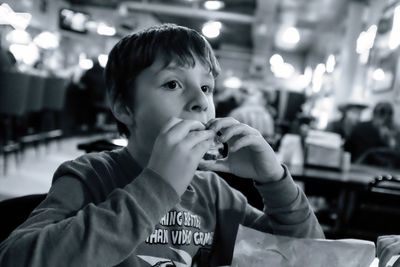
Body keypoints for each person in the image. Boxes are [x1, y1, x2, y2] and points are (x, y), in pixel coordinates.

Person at [0, 24, 324, 266]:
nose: (201, 101)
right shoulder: (91, 176)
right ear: (125, 107)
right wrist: (159, 186)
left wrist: (275, 181)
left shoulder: (214, 193)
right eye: (173, 83)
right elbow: (18, 258)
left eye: (208, 87)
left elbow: (310, 256)